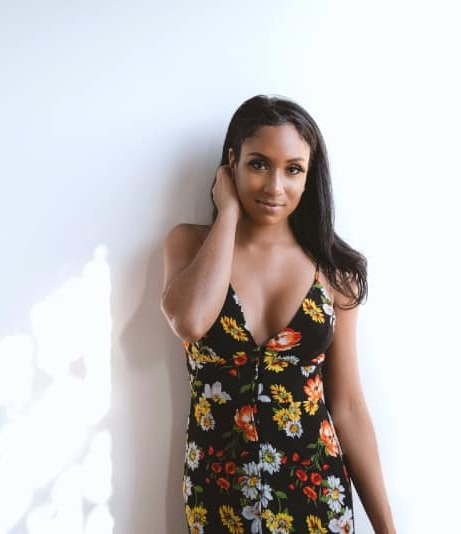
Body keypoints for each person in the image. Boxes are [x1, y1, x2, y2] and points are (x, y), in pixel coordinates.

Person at [160, 95, 396, 534]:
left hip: (316, 495)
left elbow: (346, 406)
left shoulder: (333, 271)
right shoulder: (190, 246)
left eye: (293, 169)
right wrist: (228, 212)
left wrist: (388, 529)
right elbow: (190, 322)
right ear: (231, 165)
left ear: (310, 177)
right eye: (258, 164)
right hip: (219, 499)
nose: (274, 186)